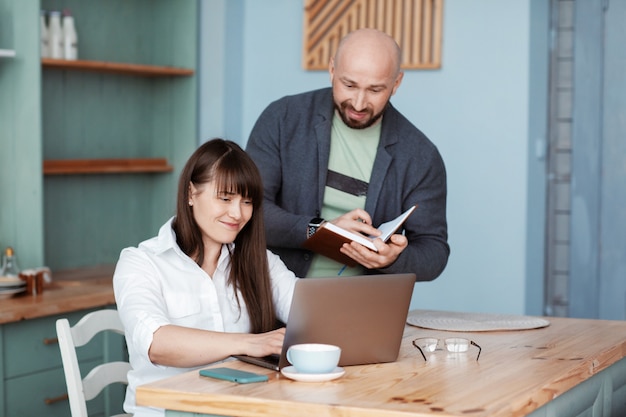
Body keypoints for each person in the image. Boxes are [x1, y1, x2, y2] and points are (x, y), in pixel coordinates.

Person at [113, 139, 298, 417]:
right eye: (225, 198)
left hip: (239, 409)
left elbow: (309, 312)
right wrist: (249, 343)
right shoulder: (141, 262)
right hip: (165, 411)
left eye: (247, 202)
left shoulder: (260, 262)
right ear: (191, 193)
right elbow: (157, 344)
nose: (237, 213)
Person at [246, 28, 449, 280]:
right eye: (349, 85)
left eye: (375, 90)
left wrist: (393, 259)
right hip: (271, 297)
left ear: (396, 83)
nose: (359, 103)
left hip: (362, 307)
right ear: (332, 70)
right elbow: (251, 210)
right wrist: (318, 230)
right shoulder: (282, 118)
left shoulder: (421, 156)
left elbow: (435, 251)